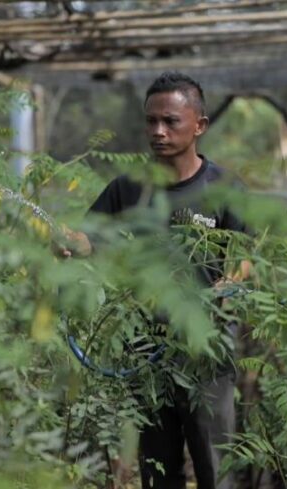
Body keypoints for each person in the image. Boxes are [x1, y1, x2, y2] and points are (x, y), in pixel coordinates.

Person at [58, 72, 251, 489]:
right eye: (150, 121)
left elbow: (245, 257)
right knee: (157, 469)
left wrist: (229, 284)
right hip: (145, 350)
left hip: (206, 349)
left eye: (170, 121)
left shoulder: (223, 188)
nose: (158, 131)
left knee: (216, 467)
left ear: (199, 125)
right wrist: (71, 243)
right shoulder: (128, 189)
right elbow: (92, 236)